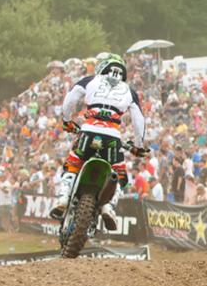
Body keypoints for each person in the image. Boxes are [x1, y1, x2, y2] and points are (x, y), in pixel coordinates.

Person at [51, 53, 147, 230]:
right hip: (112, 138)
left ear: (103, 67)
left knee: (73, 164)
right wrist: (139, 146)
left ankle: (63, 198)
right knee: (120, 175)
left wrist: (66, 120)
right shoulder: (129, 91)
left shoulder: (91, 80)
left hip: (88, 131)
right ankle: (108, 207)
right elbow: (138, 120)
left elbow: (70, 99)